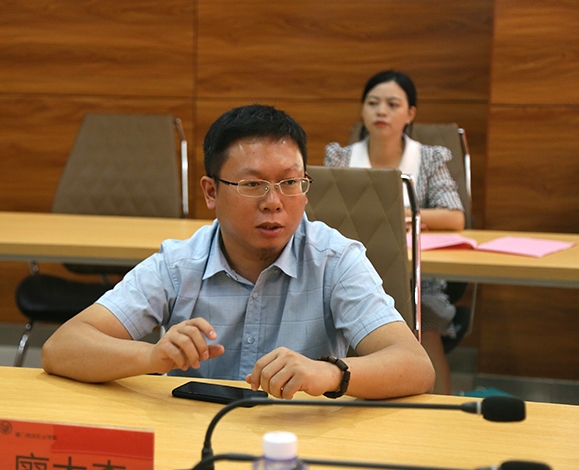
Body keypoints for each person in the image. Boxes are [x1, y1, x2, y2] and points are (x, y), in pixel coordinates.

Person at [42, 104, 434, 400]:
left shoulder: (335, 260)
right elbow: (62, 348)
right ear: (211, 192)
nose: (274, 202)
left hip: (297, 443)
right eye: (252, 185)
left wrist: (330, 374)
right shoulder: (180, 264)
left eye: (290, 183)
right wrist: (152, 357)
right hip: (192, 441)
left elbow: (415, 366)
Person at [324, 71, 465, 394]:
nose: (381, 111)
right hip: (346, 273)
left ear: (410, 113)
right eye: (373, 103)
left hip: (417, 280)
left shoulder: (428, 158)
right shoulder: (341, 158)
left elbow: (454, 216)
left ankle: (440, 416)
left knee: (424, 325)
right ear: (362, 110)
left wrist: (400, 214)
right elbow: (325, 215)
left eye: (392, 104)